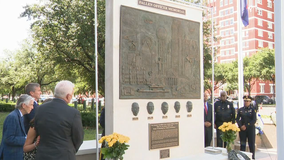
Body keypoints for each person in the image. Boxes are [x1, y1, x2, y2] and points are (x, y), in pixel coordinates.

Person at [34, 80, 84, 160]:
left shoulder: (40, 109)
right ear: (68, 96)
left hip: (43, 155)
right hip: (64, 155)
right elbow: (78, 138)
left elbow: (37, 129)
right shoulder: (73, 113)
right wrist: (69, 150)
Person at [0, 94, 34, 160]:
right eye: (31, 104)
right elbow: (8, 138)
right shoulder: (12, 117)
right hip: (10, 155)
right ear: (23, 105)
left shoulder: (19, 116)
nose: (32, 107)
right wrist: (26, 139)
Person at [236, 95, 256, 159]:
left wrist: (246, 125)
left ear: (250, 102)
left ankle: (252, 157)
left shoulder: (253, 110)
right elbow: (237, 119)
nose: (246, 102)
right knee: (242, 144)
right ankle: (243, 157)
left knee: (251, 144)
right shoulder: (241, 109)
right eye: (245, 101)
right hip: (242, 130)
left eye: (247, 101)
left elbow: (254, 120)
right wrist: (240, 126)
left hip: (250, 129)